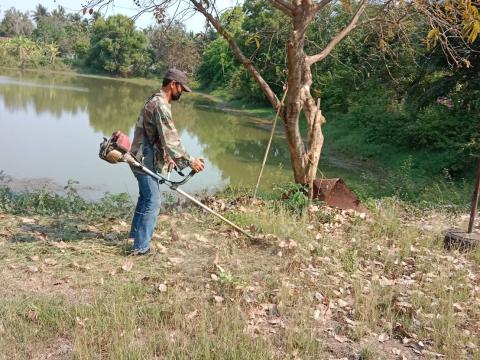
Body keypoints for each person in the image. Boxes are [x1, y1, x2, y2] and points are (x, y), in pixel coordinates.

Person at [128, 69, 205, 255]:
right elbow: (171, 139)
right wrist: (190, 161)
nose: (182, 93)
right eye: (181, 88)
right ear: (172, 84)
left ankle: (135, 235)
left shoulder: (155, 100)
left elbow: (158, 135)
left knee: (145, 198)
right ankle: (140, 247)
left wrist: (168, 157)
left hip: (140, 155)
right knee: (153, 201)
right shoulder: (160, 105)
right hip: (143, 159)